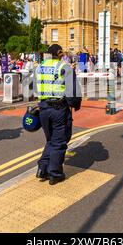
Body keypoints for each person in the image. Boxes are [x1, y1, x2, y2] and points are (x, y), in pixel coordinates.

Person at [35, 44, 82, 186]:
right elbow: (74, 91)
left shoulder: (39, 67)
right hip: (58, 108)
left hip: (43, 108)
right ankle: (54, 174)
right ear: (60, 53)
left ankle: (42, 168)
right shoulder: (64, 67)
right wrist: (75, 104)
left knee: (51, 140)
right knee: (59, 141)